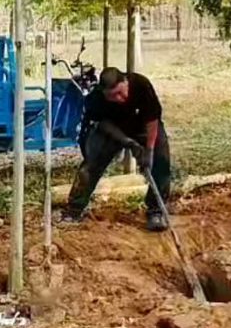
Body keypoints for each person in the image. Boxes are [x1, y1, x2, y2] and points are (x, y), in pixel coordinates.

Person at [62, 66, 172, 230]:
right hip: (113, 130)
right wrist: (128, 142)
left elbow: (152, 119)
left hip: (142, 125)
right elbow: (103, 124)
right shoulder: (96, 98)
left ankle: (156, 210)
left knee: (161, 159)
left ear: (126, 81)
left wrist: (149, 151)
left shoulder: (141, 84)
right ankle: (74, 209)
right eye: (113, 97)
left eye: (121, 92)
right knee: (91, 164)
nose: (120, 98)